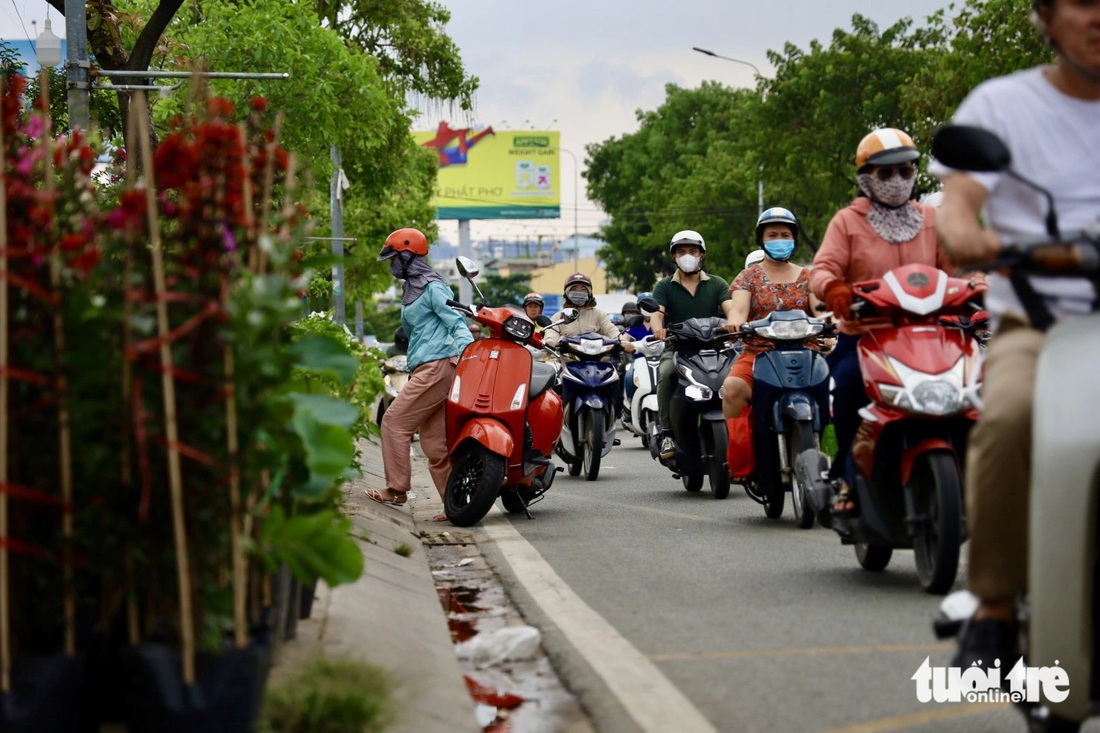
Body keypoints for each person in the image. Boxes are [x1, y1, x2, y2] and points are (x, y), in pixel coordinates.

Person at [930, 0, 1100, 669]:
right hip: (1041, 320)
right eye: (1084, 0)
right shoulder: (1002, 106)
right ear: (1046, 18)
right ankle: (995, 605)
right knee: (1006, 416)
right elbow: (960, 205)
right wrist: (971, 236)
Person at [810, 128, 956, 518]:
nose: (897, 181)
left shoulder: (933, 219)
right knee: (850, 391)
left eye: (905, 171)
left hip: (930, 335)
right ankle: (847, 475)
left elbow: (959, 269)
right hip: (865, 335)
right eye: (886, 173)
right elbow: (822, 269)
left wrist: (979, 289)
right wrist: (835, 289)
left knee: (973, 391)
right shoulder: (847, 221)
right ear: (866, 177)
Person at [368, 228, 474, 522]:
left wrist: (469, 357)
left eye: (393, 259)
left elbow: (457, 322)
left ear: (407, 257)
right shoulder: (413, 287)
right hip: (425, 366)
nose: (391, 266)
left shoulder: (433, 287)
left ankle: (397, 489)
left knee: (393, 422)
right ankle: (454, 504)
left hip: (438, 366)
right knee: (434, 444)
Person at [721, 208, 821, 432]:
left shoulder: (809, 276)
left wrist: (835, 320)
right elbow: (738, 309)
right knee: (732, 388)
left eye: (785, 235)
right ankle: (741, 462)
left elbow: (821, 309)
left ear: (794, 239)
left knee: (844, 386)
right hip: (758, 355)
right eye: (772, 235)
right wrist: (735, 322)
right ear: (762, 240)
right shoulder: (747, 277)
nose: (779, 240)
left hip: (808, 354)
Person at [650, 230, 737, 460]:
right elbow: (657, 313)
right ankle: (667, 432)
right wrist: (658, 328)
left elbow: (730, 308)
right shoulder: (665, 286)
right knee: (666, 374)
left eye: (692, 251)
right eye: (681, 252)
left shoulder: (717, 283)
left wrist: (735, 323)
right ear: (673, 257)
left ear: (702, 255)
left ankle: (742, 434)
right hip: (679, 349)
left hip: (716, 349)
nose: (687, 255)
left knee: (738, 377)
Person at [542, 273, 634, 352]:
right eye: (574, 289)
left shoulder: (599, 315)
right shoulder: (559, 317)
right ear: (567, 293)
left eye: (583, 289)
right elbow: (551, 333)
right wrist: (550, 341)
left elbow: (612, 332)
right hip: (567, 363)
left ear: (589, 293)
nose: (579, 292)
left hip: (599, 364)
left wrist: (623, 342)